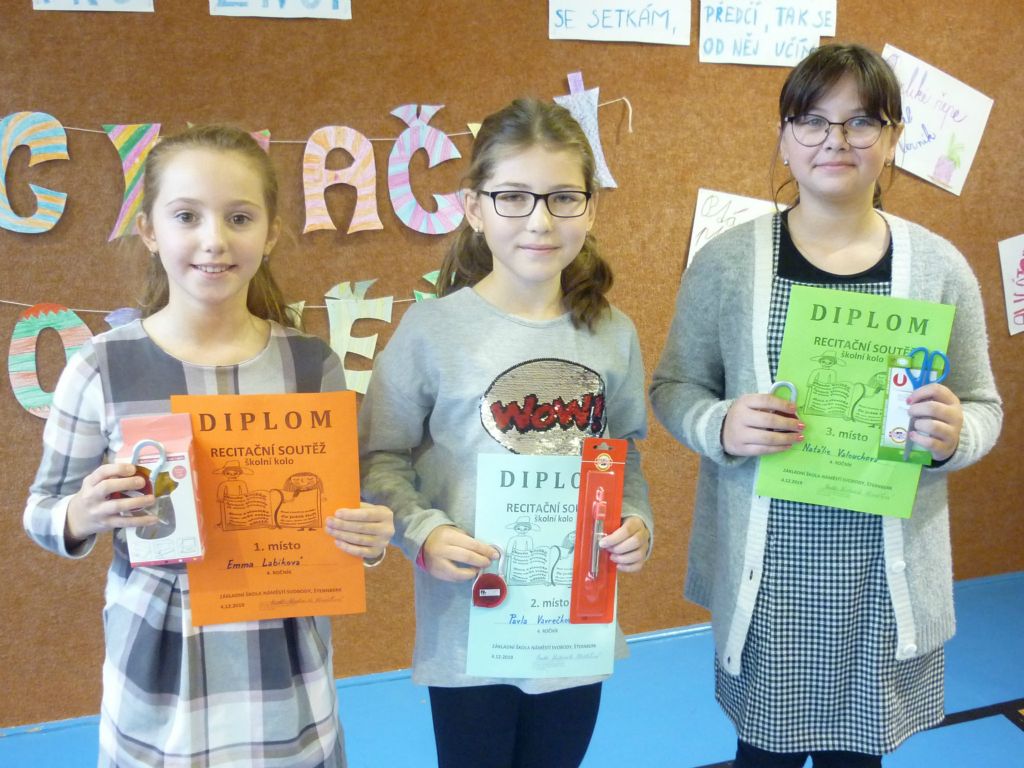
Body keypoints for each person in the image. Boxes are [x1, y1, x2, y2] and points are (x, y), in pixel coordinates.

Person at [650, 43, 1002, 768]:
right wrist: (721, 425)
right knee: (763, 756)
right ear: (784, 136)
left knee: (858, 759)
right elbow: (674, 386)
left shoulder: (939, 267)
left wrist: (954, 434)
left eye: (861, 121)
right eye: (812, 120)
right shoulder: (729, 262)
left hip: (881, 582)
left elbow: (983, 405)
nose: (835, 140)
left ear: (893, 138)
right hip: (770, 579)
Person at [23, 124, 394, 768]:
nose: (214, 239)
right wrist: (83, 512)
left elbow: (336, 512)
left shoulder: (312, 364)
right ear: (149, 231)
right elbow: (42, 512)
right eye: (187, 216)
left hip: (285, 672)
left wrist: (366, 536)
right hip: (160, 676)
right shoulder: (100, 366)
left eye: (240, 217)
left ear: (271, 234)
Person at [359, 98, 654, 768]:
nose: (540, 221)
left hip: (572, 623)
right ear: (474, 208)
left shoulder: (613, 333)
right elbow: (379, 457)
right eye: (513, 197)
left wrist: (637, 521)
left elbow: (624, 455)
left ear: (591, 209)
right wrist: (422, 532)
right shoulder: (432, 331)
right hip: (471, 626)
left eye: (563, 198)